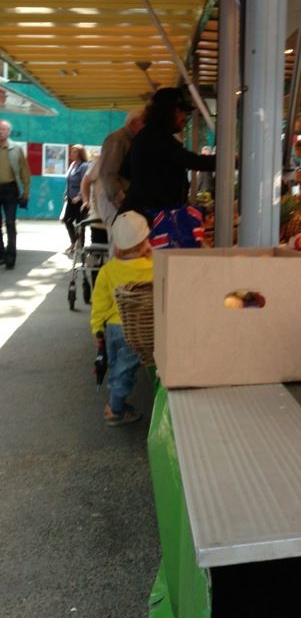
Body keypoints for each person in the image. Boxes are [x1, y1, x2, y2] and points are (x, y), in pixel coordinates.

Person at [90, 210, 153, 427]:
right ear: (145, 242)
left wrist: (97, 329)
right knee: (125, 371)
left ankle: (117, 402)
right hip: (136, 330)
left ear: (117, 246)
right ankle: (115, 409)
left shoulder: (108, 270)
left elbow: (99, 303)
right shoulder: (153, 267)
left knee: (117, 366)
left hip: (112, 330)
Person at [121, 87, 215, 217]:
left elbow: (126, 170)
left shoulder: (146, 135)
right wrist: (230, 160)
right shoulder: (158, 138)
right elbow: (194, 161)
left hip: (139, 217)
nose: (184, 117)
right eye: (180, 111)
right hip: (147, 220)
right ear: (166, 112)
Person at [96, 107, 145, 237]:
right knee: (120, 241)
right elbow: (108, 174)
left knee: (125, 242)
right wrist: (121, 201)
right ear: (134, 123)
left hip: (118, 199)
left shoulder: (129, 140)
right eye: (145, 123)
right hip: (114, 199)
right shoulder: (117, 140)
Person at [0, 119, 30, 270]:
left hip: (11, 189)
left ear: (8, 132)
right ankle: (1, 253)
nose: (1, 132)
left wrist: (26, 191)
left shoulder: (16, 149)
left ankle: (11, 256)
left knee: (10, 223)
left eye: (3, 129)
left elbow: (25, 171)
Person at [62, 144, 90, 253]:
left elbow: (85, 183)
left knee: (80, 223)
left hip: (80, 200)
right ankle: (74, 242)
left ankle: (80, 246)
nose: (71, 154)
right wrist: (66, 193)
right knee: (67, 220)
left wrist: (79, 196)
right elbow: (69, 180)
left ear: (80, 154)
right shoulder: (73, 164)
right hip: (70, 198)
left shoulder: (84, 166)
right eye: (71, 152)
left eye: (74, 152)